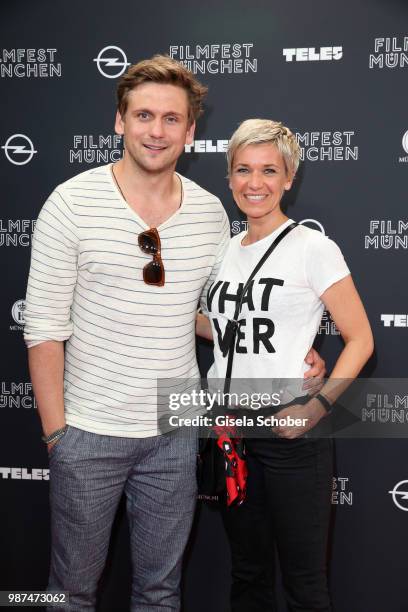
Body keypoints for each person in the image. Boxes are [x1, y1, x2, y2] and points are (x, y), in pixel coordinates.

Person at [24, 57, 326, 612]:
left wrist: (285, 342)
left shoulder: (211, 213)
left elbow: (204, 313)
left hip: (176, 431)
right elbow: (43, 330)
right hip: (89, 434)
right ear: (120, 121)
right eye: (143, 115)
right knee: (70, 595)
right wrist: (57, 438)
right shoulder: (70, 203)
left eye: (170, 119)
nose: (156, 130)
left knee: (161, 593)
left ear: (190, 132)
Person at [196, 119, 374, 612]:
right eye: (243, 170)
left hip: (291, 432)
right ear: (229, 177)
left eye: (269, 170)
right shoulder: (223, 251)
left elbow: (360, 338)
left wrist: (317, 406)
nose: (256, 183)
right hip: (231, 429)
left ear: (289, 177)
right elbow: (228, 326)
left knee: (303, 583)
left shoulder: (314, 248)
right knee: (248, 576)